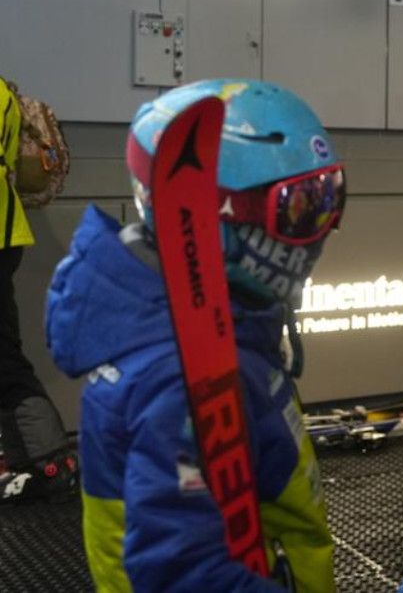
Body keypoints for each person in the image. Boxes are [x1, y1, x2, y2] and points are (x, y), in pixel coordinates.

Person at [46, 80, 345, 591]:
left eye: (330, 196)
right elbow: (181, 572)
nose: (325, 228)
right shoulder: (174, 375)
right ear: (220, 216)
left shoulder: (226, 327)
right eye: (302, 207)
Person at [0, 75, 77, 505]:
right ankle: (23, 461)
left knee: (5, 357)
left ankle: (49, 460)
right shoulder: (3, 92)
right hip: (7, 231)